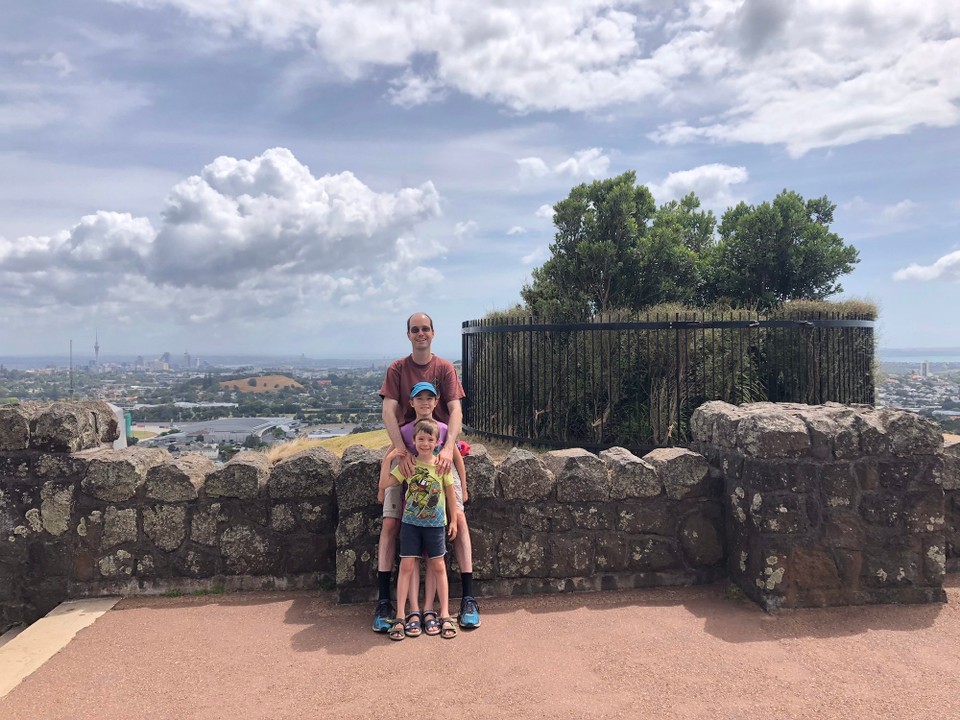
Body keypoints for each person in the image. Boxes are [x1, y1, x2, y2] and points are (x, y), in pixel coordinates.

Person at [372, 312, 481, 633]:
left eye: (425, 329)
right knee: (391, 522)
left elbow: (457, 409)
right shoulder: (397, 369)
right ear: (408, 335)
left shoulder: (445, 368)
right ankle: (384, 601)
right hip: (405, 450)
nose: (421, 334)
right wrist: (400, 451)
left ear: (433, 333)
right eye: (415, 329)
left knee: (458, 520)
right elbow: (388, 410)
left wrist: (448, 448)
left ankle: (469, 598)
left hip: (440, 454)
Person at [379, 418, 459, 640]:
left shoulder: (442, 466)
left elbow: (451, 494)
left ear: (437, 442)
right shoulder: (409, 466)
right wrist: (389, 459)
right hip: (411, 525)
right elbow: (384, 484)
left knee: (439, 566)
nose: (425, 443)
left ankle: (443, 613)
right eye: (420, 439)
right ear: (413, 441)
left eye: (429, 439)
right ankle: (401, 615)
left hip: (435, 525)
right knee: (406, 566)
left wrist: (453, 521)